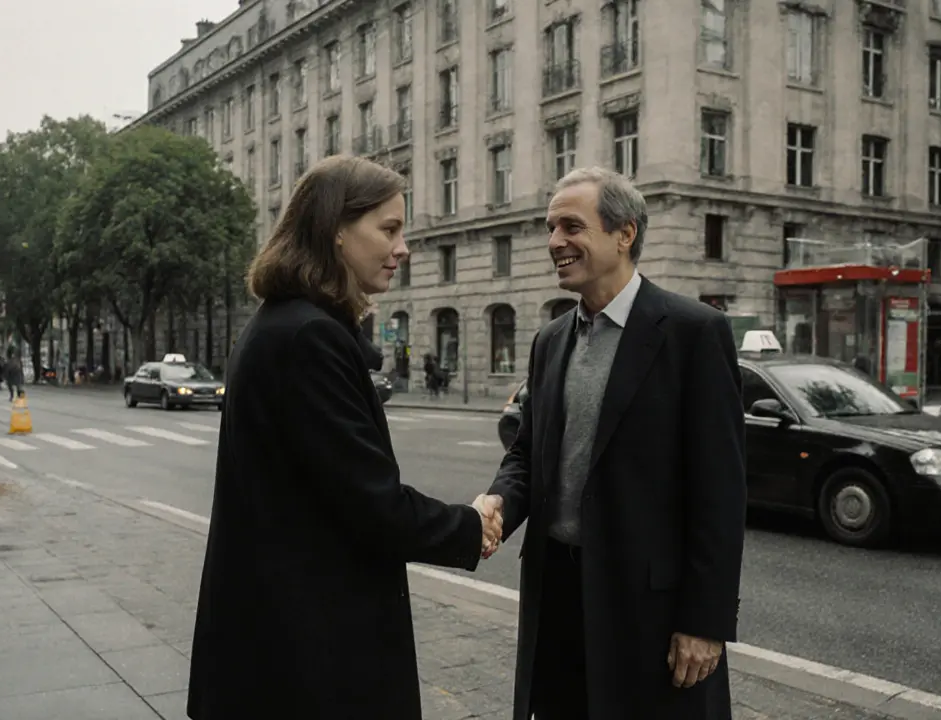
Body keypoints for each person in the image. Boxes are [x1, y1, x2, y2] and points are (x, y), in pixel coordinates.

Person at [186, 155, 502, 720]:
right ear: (335, 230)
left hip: (278, 645)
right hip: (310, 659)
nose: (403, 248)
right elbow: (370, 503)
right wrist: (470, 524)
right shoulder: (310, 337)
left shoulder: (286, 324)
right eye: (389, 229)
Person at [475, 167, 747, 719]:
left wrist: (704, 621)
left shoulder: (692, 333)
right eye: (550, 228)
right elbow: (529, 452)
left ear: (624, 234)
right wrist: (498, 502)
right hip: (558, 594)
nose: (554, 242)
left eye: (571, 226)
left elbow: (719, 492)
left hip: (648, 606)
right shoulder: (550, 340)